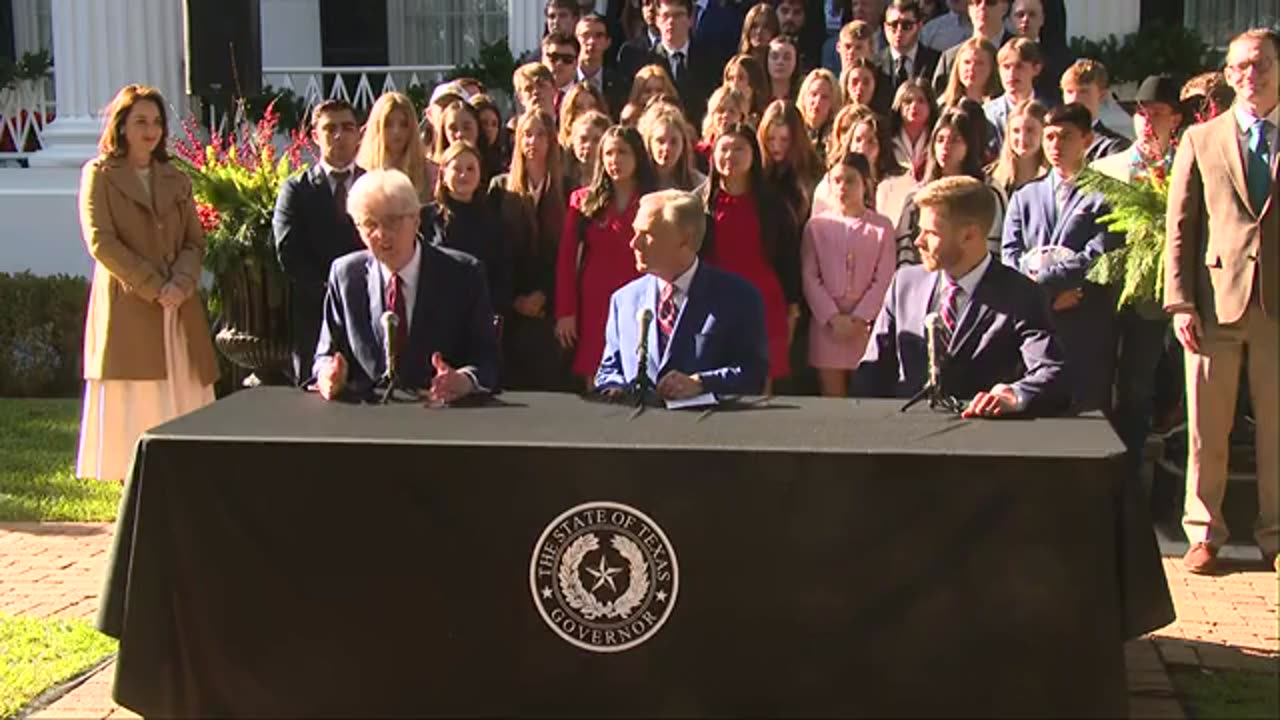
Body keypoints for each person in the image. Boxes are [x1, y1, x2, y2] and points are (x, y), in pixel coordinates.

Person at [1164, 28, 1279, 573]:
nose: (1248, 76)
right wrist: (1180, 302)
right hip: (1213, 302)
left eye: (1258, 64)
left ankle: (1275, 534)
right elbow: (1181, 226)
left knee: (1278, 429)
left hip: (1277, 307)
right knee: (1207, 429)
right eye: (1237, 67)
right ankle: (1204, 532)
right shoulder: (1201, 139)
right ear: (1227, 74)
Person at [76, 84, 218, 482]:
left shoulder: (175, 177)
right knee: (137, 395)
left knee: (181, 388)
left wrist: (182, 283)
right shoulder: (99, 174)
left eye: (156, 121)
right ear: (122, 126)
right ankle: (136, 479)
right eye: (140, 121)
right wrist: (154, 286)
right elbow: (100, 240)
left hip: (179, 307)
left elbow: (195, 239)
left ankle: (182, 475)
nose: (150, 129)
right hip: (131, 308)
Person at [855, 176, 1069, 417]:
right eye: (919, 230)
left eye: (931, 233)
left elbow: (1051, 372)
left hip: (981, 440)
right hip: (906, 436)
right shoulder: (904, 285)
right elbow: (871, 374)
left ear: (970, 235)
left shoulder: (1021, 295)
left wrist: (1014, 394)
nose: (918, 241)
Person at [311, 171, 498, 402]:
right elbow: (324, 355)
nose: (381, 235)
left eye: (392, 221)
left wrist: (464, 380)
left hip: (439, 414)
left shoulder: (463, 273)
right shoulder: (346, 275)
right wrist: (327, 375)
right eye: (370, 224)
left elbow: (487, 358)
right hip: (368, 416)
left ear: (416, 219)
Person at [1089, 75, 1186, 495]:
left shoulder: (1187, 167)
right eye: (1141, 114)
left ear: (1175, 120)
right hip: (1104, 294)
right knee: (1099, 380)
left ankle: (1127, 477)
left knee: (1136, 386)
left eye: (1157, 114)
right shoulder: (1105, 169)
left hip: (1154, 297)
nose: (1146, 122)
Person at [1002, 102, 1121, 413]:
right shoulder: (1024, 196)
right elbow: (1010, 256)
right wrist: (1043, 298)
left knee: (1088, 412)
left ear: (1087, 140)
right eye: (1050, 136)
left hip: (1085, 320)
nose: (1055, 145)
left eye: (1066, 136)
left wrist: (1043, 284)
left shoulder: (1106, 197)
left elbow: (1098, 255)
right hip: (1037, 328)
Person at [595, 189, 770, 396]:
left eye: (648, 234)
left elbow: (753, 373)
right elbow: (608, 371)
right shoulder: (624, 300)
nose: (634, 243)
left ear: (685, 241)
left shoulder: (738, 297)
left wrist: (701, 384)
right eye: (635, 232)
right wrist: (616, 388)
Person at [696, 122, 802, 387]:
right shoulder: (697, 204)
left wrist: (792, 308)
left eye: (739, 149)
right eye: (724, 149)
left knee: (760, 380)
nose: (730, 156)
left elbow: (788, 259)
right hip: (712, 303)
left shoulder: (774, 205)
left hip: (763, 302)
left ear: (754, 154)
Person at [556, 126, 658, 388]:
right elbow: (567, 261)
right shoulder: (582, 202)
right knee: (598, 374)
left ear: (637, 156)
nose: (615, 160)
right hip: (595, 302)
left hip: (641, 301)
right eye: (609, 153)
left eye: (622, 152)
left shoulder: (654, 201)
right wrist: (566, 312)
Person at [274, 99, 365, 384]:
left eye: (347, 127)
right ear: (315, 135)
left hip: (367, 312)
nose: (339, 135)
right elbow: (289, 251)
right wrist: (332, 291)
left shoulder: (374, 183)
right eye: (330, 128)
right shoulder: (296, 189)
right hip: (315, 315)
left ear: (359, 133)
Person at [802, 152, 896, 396]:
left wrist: (860, 317)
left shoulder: (882, 226)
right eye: (837, 180)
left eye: (851, 180)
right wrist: (832, 317)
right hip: (827, 326)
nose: (843, 187)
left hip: (865, 328)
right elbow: (810, 276)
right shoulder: (816, 226)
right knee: (832, 398)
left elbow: (884, 278)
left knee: (864, 394)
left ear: (865, 183)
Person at [492, 110, 574, 391]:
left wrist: (544, 295)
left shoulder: (567, 188)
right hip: (513, 308)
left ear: (552, 141)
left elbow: (568, 254)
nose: (533, 141)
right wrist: (515, 299)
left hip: (549, 309)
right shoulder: (501, 188)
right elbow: (498, 252)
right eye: (527, 134)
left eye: (541, 134)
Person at [421, 142, 511, 313]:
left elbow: (502, 274)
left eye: (471, 169)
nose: (464, 175)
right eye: (457, 169)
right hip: (436, 311)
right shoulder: (425, 217)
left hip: (480, 312)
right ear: (443, 174)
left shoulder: (493, 221)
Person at [358, 92, 431, 202]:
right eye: (388, 124)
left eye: (404, 124)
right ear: (377, 127)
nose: (396, 131)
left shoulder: (429, 172)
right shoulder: (360, 171)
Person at [932, 0, 1012, 97]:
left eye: (990, 2)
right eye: (977, 2)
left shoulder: (1019, 53)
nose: (982, 7)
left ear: (1005, 7)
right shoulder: (951, 57)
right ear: (969, 8)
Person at [1059, 60, 1131, 162]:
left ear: (1101, 95)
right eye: (1069, 92)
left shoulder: (1114, 146)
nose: (1074, 99)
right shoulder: (1051, 141)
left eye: (1083, 91)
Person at [983, 37, 1043, 151]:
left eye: (1019, 66)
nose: (1011, 73)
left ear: (1036, 69)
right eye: (1006, 67)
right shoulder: (986, 113)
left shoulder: (1049, 111)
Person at [986, 97, 1048, 198]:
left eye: (1030, 130)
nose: (1022, 138)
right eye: (1016, 131)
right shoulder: (990, 177)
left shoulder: (1055, 178)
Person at [876, 0, 941, 93]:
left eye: (906, 25)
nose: (899, 31)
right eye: (894, 25)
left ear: (919, 26)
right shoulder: (874, 64)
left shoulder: (937, 61)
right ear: (885, 27)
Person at [639, 101, 707, 190]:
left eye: (674, 142)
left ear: (683, 144)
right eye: (660, 141)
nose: (666, 148)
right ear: (649, 142)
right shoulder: (635, 183)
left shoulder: (700, 185)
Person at [889, 77, 938, 181]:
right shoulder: (888, 140)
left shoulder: (937, 140)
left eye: (921, 101)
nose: (914, 106)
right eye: (908, 101)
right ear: (899, 106)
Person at [576, 13, 627, 115]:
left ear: (608, 42)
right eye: (586, 35)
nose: (591, 41)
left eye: (598, 36)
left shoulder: (620, 86)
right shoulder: (565, 80)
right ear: (576, 39)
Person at [937, 37, 999, 109]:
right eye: (967, 62)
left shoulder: (1001, 106)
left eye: (979, 63)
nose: (971, 68)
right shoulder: (943, 104)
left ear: (992, 67)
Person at [798, 68, 844, 160]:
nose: (817, 101)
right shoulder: (794, 129)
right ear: (804, 97)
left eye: (824, 97)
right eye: (813, 94)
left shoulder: (838, 136)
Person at [565, 110, 613, 190]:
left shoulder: (613, 180)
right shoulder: (562, 178)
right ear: (573, 141)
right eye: (583, 139)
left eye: (596, 140)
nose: (588, 145)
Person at [724, 53, 771, 123]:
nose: (734, 84)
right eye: (731, 78)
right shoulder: (721, 116)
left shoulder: (766, 119)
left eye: (741, 78)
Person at [542, 33, 582, 106]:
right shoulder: (528, 95)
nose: (559, 63)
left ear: (576, 63)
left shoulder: (587, 98)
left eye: (567, 59)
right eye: (554, 57)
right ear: (543, 59)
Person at [767, 34, 804, 102]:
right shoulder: (755, 95)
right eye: (774, 57)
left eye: (787, 58)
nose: (780, 62)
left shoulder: (804, 96)